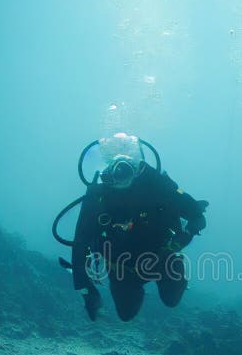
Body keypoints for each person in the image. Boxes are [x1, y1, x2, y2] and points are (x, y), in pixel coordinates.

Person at [60, 132, 207, 321]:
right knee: (126, 314)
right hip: (121, 266)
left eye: (129, 166)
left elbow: (198, 217)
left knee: (171, 300)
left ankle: (175, 266)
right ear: (108, 169)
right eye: (116, 168)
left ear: (138, 166)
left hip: (162, 257)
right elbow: (80, 242)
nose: (123, 173)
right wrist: (86, 290)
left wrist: (180, 240)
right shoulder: (98, 196)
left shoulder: (158, 184)